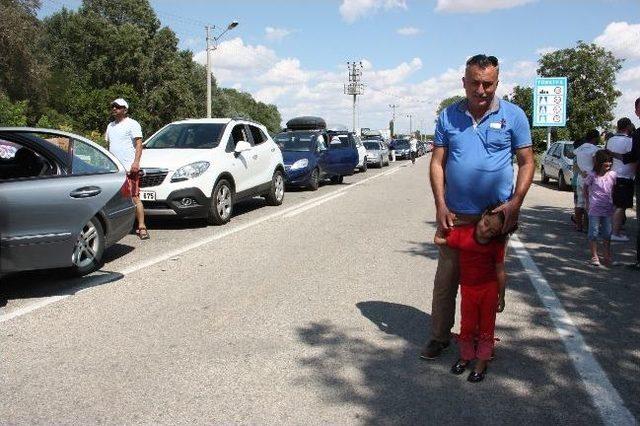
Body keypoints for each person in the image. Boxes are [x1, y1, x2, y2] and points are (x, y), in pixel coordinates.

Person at [421, 54, 535, 360]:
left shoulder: (514, 116)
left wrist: (516, 203)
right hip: (455, 215)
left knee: (484, 283)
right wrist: (440, 204)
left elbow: (526, 162)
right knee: (447, 281)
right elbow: (437, 163)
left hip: (494, 219)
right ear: (464, 82)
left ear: (497, 82)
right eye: (475, 83)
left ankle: (481, 339)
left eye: (488, 83)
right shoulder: (447, 117)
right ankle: (439, 337)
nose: (481, 90)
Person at [434, 207, 509, 382]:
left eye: (492, 231)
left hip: (489, 290)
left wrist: (502, 295)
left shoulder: (496, 246)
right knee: (467, 325)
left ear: (497, 234)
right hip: (468, 290)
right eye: (486, 223)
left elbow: (500, 272)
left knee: (486, 327)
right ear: (483, 216)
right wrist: (444, 221)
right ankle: (466, 357)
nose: (485, 230)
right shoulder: (463, 234)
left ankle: (481, 363)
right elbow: (438, 239)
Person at [105, 98, 149, 240]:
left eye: (118, 107)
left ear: (125, 109)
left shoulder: (132, 124)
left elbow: (139, 144)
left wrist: (136, 162)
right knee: (115, 199)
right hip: (114, 170)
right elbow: (109, 146)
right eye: (113, 106)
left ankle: (141, 227)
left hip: (130, 168)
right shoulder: (110, 126)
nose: (114, 109)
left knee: (135, 197)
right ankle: (117, 228)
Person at [583, 150, 616, 267]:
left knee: (607, 233)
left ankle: (606, 255)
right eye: (606, 162)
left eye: (610, 162)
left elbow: (614, 190)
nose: (609, 164)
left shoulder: (612, 175)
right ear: (600, 162)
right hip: (595, 208)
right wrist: (587, 202)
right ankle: (594, 256)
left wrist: (615, 203)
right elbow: (585, 188)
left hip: (608, 209)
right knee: (594, 233)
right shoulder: (592, 175)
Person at [606, 118, 636, 241]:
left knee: (614, 204)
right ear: (628, 126)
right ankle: (615, 233)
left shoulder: (610, 140)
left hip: (612, 175)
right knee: (621, 206)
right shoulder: (630, 141)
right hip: (625, 176)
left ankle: (611, 230)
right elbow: (633, 157)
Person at [573, 130, 601, 232]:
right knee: (588, 202)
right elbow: (596, 164)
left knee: (579, 202)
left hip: (581, 176)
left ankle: (578, 225)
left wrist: (581, 171)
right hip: (590, 177)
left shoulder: (579, 148)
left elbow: (576, 163)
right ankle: (586, 227)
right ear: (594, 138)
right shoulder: (595, 149)